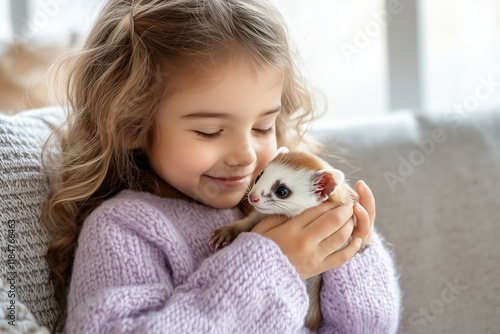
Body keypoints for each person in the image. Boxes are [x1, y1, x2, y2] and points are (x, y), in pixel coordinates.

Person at [42, 0, 401, 332]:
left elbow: (369, 327)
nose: (246, 155)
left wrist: (351, 248)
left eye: (264, 127)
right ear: (130, 125)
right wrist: (270, 266)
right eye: (210, 131)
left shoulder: (273, 204)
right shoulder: (124, 228)